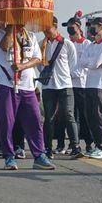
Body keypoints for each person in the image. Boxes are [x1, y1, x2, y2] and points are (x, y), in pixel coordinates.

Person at [0, 24, 55, 170]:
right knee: (7, 122)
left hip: (27, 86)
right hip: (7, 83)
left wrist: (23, 66)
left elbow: (38, 58)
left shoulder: (31, 36)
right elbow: (4, 47)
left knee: (35, 121)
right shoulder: (0, 33)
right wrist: (10, 29)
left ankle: (39, 155)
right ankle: (9, 156)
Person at [40, 17, 83, 159]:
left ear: (55, 26)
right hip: (48, 86)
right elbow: (39, 64)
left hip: (65, 84)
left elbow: (72, 63)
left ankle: (75, 147)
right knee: (49, 118)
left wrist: (62, 75)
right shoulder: (42, 45)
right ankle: (48, 149)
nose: (45, 31)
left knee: (69, 115)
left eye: (47, 28)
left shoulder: (67, 44)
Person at [79, 17, 102, 159]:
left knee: (98, 115)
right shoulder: (91, 45)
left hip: (100, 85)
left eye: (93, 26)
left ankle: (101, 147)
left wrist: (93, 63)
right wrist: (92, 63)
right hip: (89, 84)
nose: (90, 28)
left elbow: (95, 62)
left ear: (101, 26)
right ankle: (94, 145)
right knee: (90, 116)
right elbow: (82, 62)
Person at [59, 15, 93, 154]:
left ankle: (89, 143)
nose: (70, 32)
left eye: (72, 28)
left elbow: (85, 66)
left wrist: (73, 74)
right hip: (68, 84)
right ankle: (74, 143)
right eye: (68, 29)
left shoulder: (87, 44)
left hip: (81, 85)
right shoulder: (68, 44)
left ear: (79, 27)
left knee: (84, 115)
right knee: (70, 115)